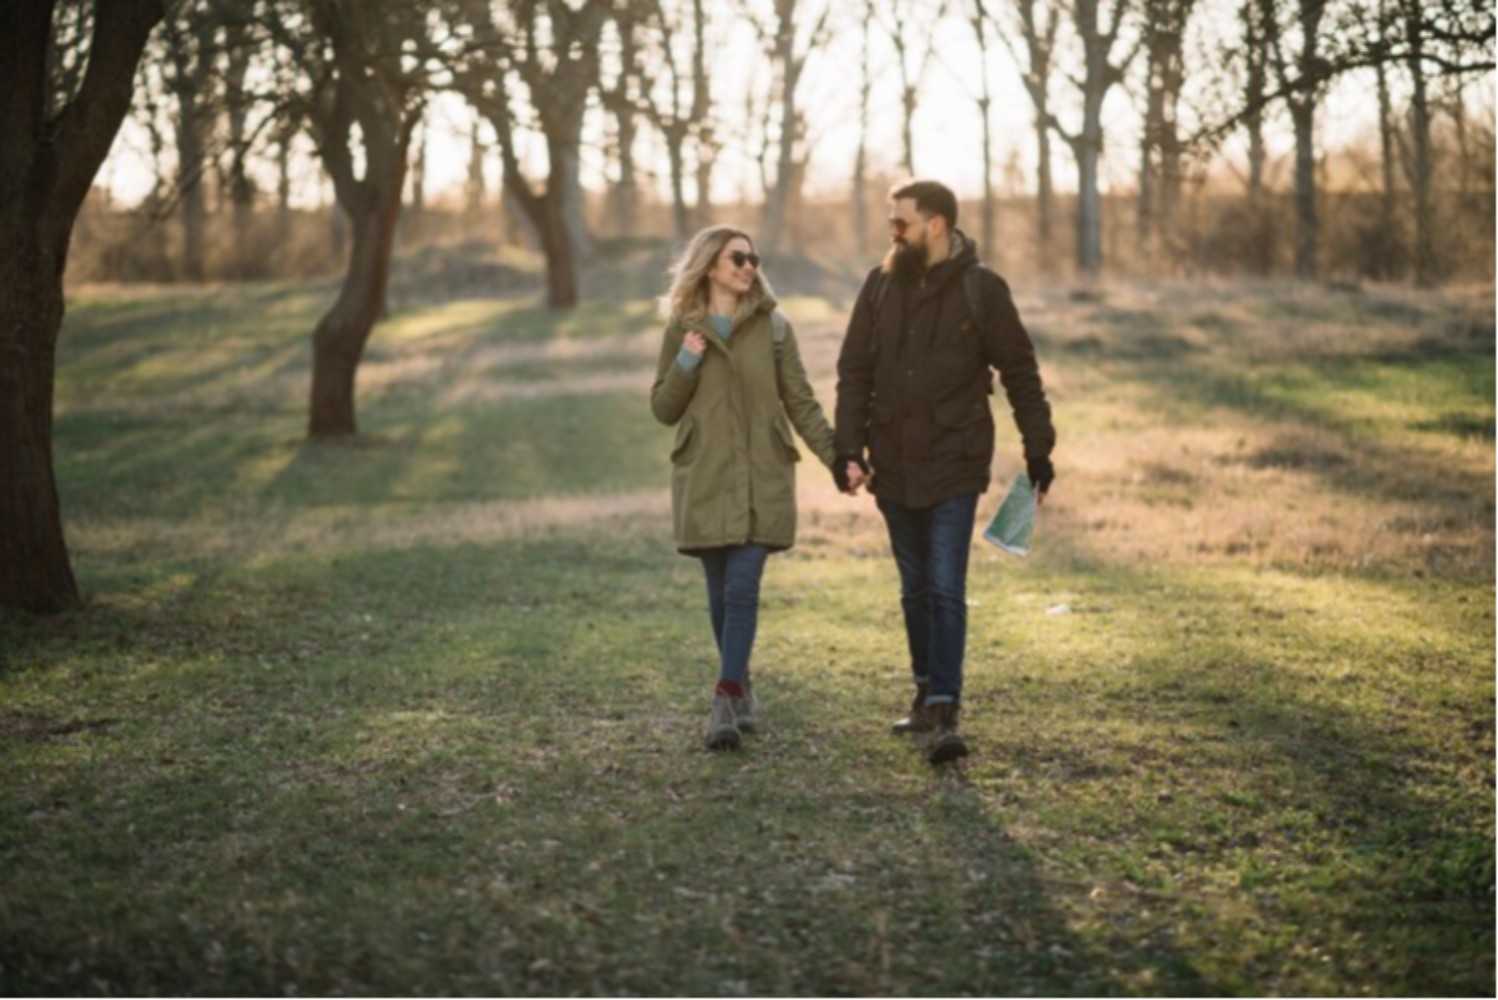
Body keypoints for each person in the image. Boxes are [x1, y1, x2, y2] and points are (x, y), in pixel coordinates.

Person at [833, 179, 1056, 764]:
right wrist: (847, 450)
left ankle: (946, 705)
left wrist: (1039, 447)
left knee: (944, 584)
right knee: (914, 589)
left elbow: (1020, 371)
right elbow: (854, 371)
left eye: (900, 221)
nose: (891, 231)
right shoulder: (879, 287)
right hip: (893, 464)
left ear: (936, 224)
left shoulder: (983, 290)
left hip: (956, 461)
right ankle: (925, 694)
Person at [650, 226, 855, 751]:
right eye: (737, 258)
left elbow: (801, 402)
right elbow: (663, 409)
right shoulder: (683, 327)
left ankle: (723, 697)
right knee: (720, 595)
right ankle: (740, 685)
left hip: (762, 475)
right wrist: (686, 361)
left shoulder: (775, 327)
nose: (748, 267)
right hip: (706, 477)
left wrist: (838, 459)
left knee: (742, 588)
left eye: (753, 258)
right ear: (710, 265)